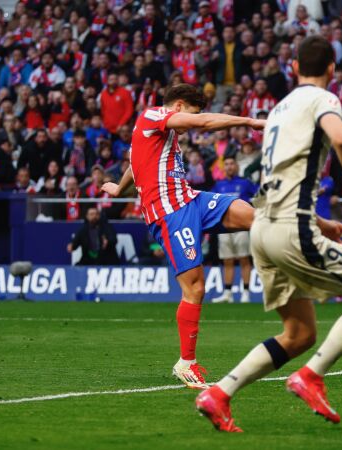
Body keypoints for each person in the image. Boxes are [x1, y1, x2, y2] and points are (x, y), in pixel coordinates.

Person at [196, 35, 342, 433]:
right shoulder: (323, 100)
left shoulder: (280, 109)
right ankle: (312, 376)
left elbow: (283, 181)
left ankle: (218, 394)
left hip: (263, 228)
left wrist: (322, 223)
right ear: (332, 70)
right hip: (289, 228)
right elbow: (341, 138)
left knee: (299, 333)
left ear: (294, 68)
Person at [101, 83, 265, 389]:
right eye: (192, 111)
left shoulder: (159, 133)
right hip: (169, 213)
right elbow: (202, 123)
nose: (195, 121)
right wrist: (249, 122)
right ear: (177, 106)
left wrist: (117, 188)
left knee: (257, 218)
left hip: (191, 200)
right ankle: (186, 364)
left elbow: (137, 163)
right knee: (195, 288)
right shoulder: (153, 115)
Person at [211, 156, 258, 304]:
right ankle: (228, 293)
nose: (229, 167)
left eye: (232, 164)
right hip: (223, 227)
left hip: (241, 227)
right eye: (227, 164)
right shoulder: (219, 185)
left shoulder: (245, 183)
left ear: (236, 166)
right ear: (223, 168)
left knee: (244, 259)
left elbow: (258, 195)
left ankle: (245, 293)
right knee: (227, 260)